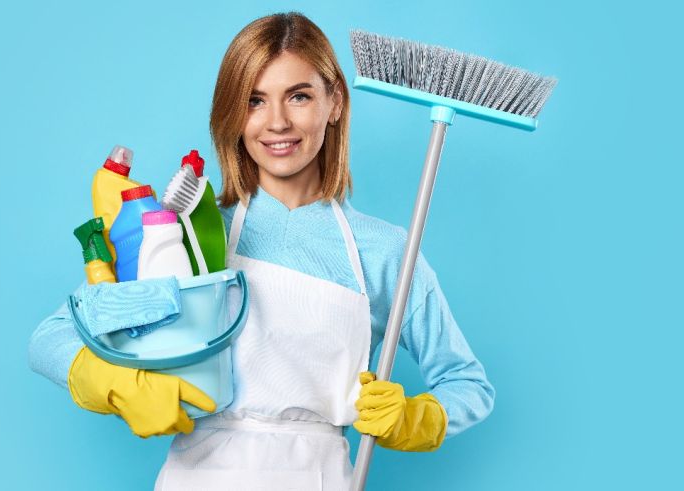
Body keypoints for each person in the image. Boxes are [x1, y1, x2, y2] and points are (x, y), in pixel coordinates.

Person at [29, 12, 494, 490]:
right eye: (254, 101)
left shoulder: (386, 251)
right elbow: (50, 337)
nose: (277, 123)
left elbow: (468, 385)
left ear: (334, 102)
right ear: (233, 114)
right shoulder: (190, 235)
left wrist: (418, 418)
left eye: (299, 96)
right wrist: (118, 386)